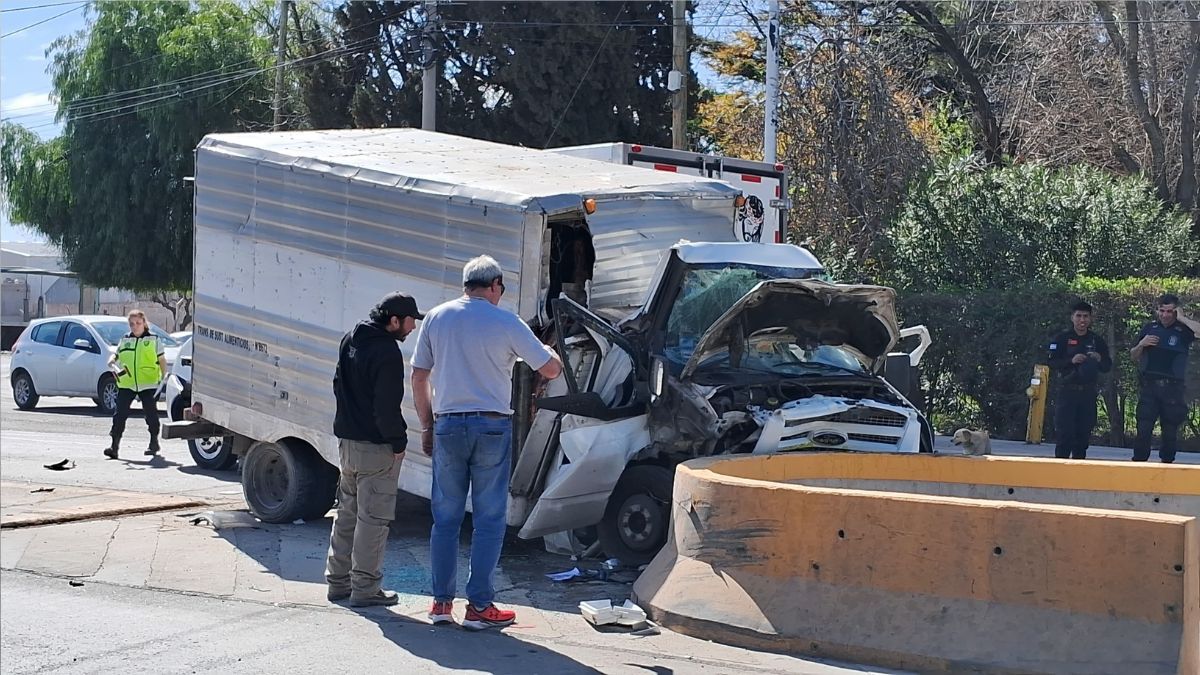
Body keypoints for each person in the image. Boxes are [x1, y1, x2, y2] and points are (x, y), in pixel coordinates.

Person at [411, 255, 563, 631]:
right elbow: (550, 369)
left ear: (467, 284)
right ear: (495, 285)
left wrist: (428, 426)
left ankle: (441, 604)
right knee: (489, 519)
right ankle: (479, 607)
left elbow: (418, 377)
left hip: (447, 425)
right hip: (491, 427)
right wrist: (554, 353)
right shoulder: (505, 321)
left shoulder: (437, 317)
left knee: (444, 519)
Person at [325, 292, 423, 607]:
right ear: (394, 320)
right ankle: (365, 589)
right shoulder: (387, 352)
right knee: (373, 519)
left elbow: (338, 385)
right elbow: (386, 407)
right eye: (410, 321)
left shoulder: (351, 338)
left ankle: (337, 583)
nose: (412, 328)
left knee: (346, 514)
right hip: (375, 447)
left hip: (347, 444)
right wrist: (398, 443)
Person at [1129, 294, 1198, 463]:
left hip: (1173, 389)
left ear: (1175, 311)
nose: (1165, 315)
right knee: (1143, 428)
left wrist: (1182, 318)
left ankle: (1167, 466)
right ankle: (1138, 464)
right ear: (1157, 310)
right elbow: (1133, 356)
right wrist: (1141, 344)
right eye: (1162, 310)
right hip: (1150, 388)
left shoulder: (1183, 331)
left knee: (1170, 432)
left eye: (1170, 311)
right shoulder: (1149, 328)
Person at [1046, 301, 1112, 460]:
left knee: (1082, 436)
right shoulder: (1062, 338)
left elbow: (1107, 366)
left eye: (1085, 316)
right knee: (1064, 434)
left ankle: (1079, 471)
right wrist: (1071, 360)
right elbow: (1051, 362)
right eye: (1079, 316)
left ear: (1090, 319)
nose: (1082, 320)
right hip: (1067, 391)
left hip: (1088, 393)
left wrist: (1099, 358)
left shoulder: (1096, 340)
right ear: (1072, 317)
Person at [103, 310, 168, 459]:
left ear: (144, 323)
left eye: (138, 323)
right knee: (119, 414)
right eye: (132, 324)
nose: (135, 326)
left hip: (148, 382)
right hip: (127, 382)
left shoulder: (153, 339)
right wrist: (112, 359)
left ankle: (154, 442)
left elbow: (162, 360)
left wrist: (164, 377)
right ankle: (114, 446)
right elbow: (117, 353)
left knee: (150, 413)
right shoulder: (125, 339)